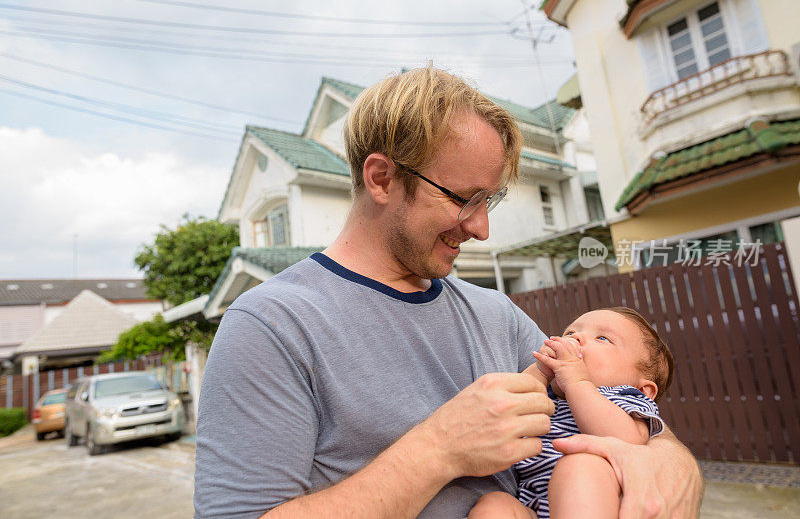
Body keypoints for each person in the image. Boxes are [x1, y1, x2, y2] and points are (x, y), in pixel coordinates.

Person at [194, 66, 703, 518]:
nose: (481, 228)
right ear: (381, 178)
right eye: (465, 199)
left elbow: (623, 402)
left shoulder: (495, 314)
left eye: (490, 201)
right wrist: (438, 450)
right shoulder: (272, 325)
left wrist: (675, 465)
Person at [469, 307, 674, 519]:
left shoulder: (625, 397)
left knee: (579, 465)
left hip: (602, 505)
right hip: (535, 507)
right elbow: (508, 407)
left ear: (643, 390)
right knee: (494, 504)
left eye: (602, 338)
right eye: (570, 333)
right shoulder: (548, 397)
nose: (576, 337)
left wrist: (578, 382)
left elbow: (627, 442)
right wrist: (539, 370)